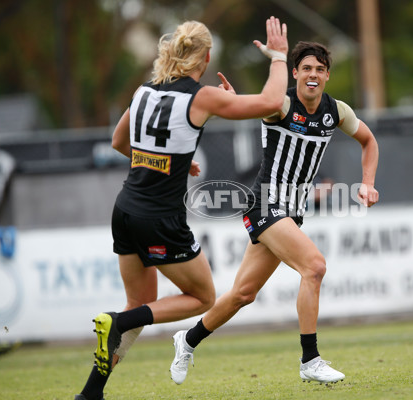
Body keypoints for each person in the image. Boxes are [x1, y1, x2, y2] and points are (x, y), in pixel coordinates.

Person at [74, 16, 288, 400]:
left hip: (124, 210)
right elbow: (271, 102)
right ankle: (118, 322)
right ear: (206, 58)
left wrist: (173, 157)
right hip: (159, 218)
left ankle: (90, 392)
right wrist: (278, 57)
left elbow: (119, 141)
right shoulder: (201, 96)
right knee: (204, 298)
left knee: (140, 304)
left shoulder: (143, 91)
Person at [171, 41, 379, 385]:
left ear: (327, 75)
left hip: (291, 212)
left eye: (320, 69)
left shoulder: (336, 111)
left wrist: (367, 182)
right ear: (295, 73)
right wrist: (233, 101)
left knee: (242, 294)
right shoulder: (280, 105)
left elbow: (369, 141)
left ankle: (187, 340)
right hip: (266, 203)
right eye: (307, 68)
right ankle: (310, 360)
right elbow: (253, 106)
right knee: (315, 267)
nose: (313, 75)